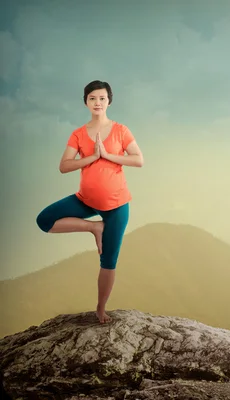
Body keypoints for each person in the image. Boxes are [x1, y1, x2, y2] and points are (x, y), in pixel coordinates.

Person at [36, 80, 144, 324]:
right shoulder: (78, 134)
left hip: (117, 205)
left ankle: (101, 309)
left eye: (102, 98)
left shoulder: (121, 130)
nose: (97, 102)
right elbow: (64, 166)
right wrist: (93, 157)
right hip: (85, 201)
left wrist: (107, 155)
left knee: (108, 260)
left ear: (109, 101)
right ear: (86, 102)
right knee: (44, 220)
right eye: (93, 98)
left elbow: (138, 159)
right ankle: (94, 227)